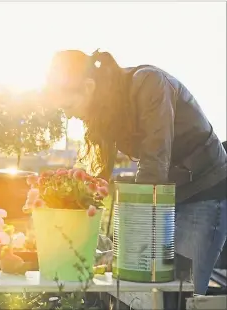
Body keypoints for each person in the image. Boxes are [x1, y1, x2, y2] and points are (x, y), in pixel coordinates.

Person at [44, 49, 227, 296]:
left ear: (88, 86)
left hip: (205, 193)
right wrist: (71, 219)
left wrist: (127, 247)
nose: (69, 114)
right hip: (170, 195)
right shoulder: (104, 111)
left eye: (68, 105)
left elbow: (154, 165)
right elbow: (96, 176)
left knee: (181, 294)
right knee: (146, 292)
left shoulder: (150, 84)